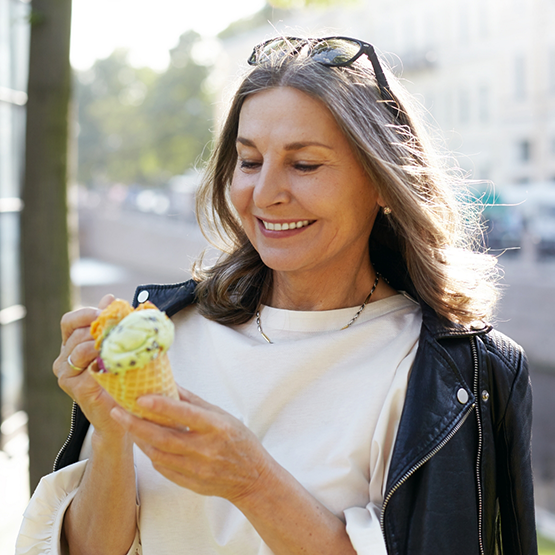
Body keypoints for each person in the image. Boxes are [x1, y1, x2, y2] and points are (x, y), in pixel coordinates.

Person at [16, 37, 537, 555]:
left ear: (382, 182)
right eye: (249, 161)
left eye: (304, 165)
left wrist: (252, 481)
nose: (264, 193)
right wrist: (111, 430)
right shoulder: (170, 332)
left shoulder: (444, 371)